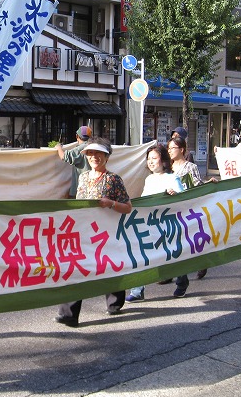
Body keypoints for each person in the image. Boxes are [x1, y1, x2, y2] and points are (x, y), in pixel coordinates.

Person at [54, 137, 132, 327]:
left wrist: (111, 204)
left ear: (107, 156)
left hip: (106, 234)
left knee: (110, 266)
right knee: (76, 268)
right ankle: (68, 314)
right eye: (90, 153)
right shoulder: (83, 177)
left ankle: (115, 302)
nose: (94, 157)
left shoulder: (113, 179)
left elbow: (127, 207)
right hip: (83, 232)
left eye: (98, 153)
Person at [126, 144, 184, 302]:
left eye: (154, 158)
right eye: (148, 158)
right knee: (141, 255)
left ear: (163, 160)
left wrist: (175, 194)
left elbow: (185, 199)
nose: (150, 161)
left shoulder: (172, 178)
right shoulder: (149, 179)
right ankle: (137, 290)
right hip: (150, 225)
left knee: (176, 255)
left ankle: (182, 281)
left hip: (168, 226)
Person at [168, 136, 214, 280]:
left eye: (173, 148)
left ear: (181, 149)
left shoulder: (190, 167)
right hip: (171, 209)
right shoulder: (167, 168)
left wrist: (209, 183)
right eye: (168, 148)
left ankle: (201, 262)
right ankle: (168, 273)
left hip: (187, 208)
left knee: (190, 239)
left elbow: (197, 186)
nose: (170, 151)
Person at [55, 126, 93, 198]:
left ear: (77, 136)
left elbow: (63, 157)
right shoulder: (93, 146)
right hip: (92, 185)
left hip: (82, 186)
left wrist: (59, 147)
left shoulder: (81, 148)